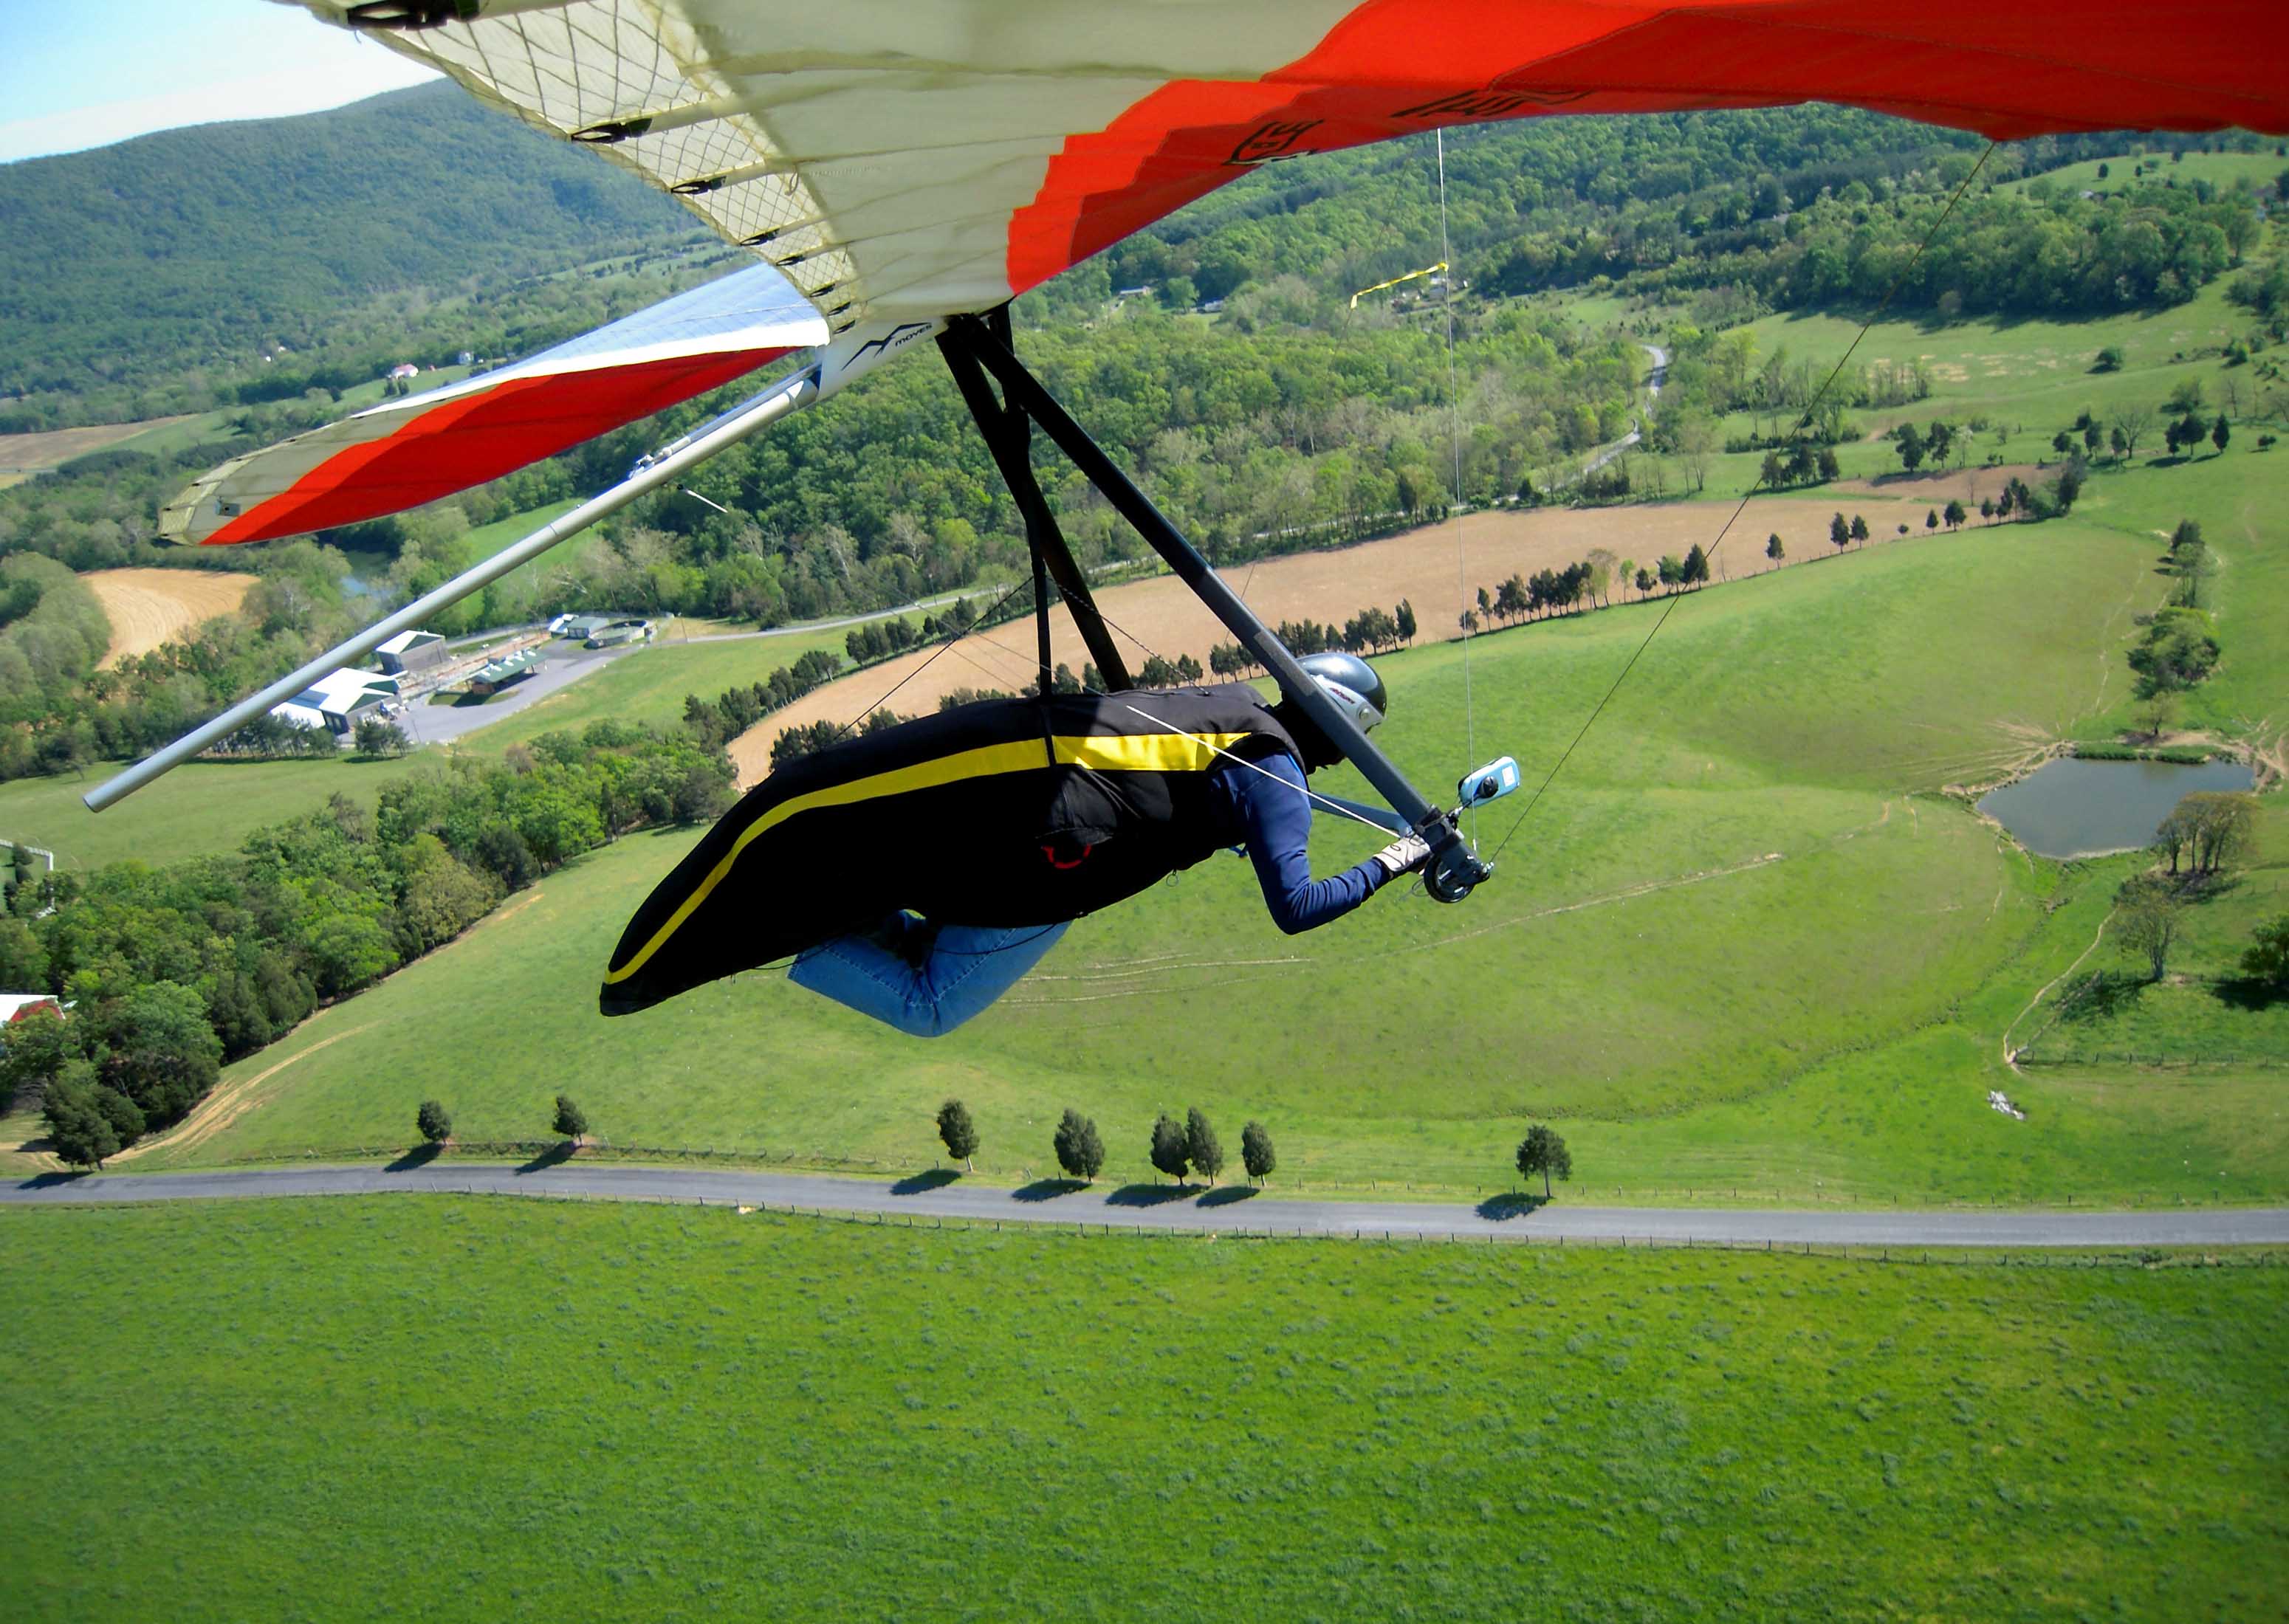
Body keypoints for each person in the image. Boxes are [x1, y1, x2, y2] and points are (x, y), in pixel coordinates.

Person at [789, 653, 1430, 1036]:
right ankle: (801, 936)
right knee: (929, 1005)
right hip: (1050, 874)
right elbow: (1297, 907)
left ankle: (845, 918)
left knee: (924, 940)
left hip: (1021, 816)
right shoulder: (1277, 779)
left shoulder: (1237, 705)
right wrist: (1393, 860)